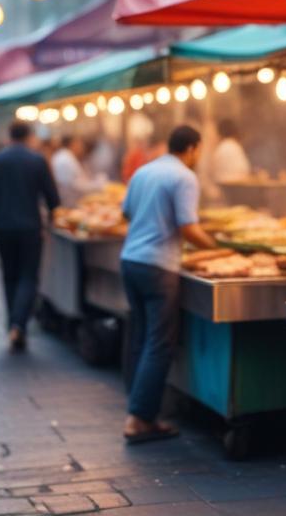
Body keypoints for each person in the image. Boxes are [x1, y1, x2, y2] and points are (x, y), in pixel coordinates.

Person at [119, 125, 218, 444]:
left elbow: (126, 214)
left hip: (130, 260)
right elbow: (188, 227)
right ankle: (139, 419)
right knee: (159, 342)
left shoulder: (144, 172)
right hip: (158, 265)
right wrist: (214, 247)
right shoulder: (184, 177)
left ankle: (135, 406)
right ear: (192, 148)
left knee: (140, 336)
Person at [0, 122, 60, 351]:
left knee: (9, 274)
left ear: (10, 135)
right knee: (28, 276)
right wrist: (53, 217)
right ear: (29, 136)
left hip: (1, 226)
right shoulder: (37, 160)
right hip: (30, 226)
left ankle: (13, 321)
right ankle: (19, 323)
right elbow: (53, 197)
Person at [51, 135, 104, 207]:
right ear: (73, 144)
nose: (81, 146)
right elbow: (75, 184)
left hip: (71, 198)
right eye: (79, 143)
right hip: (69, 201)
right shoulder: (65, 159)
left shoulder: (66, 156)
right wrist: (97, 185)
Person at [208, 119, 251, 185]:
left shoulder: (221, 147)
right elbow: (243, 172)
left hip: (222, 187)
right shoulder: (233, 146)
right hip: (235, 188)